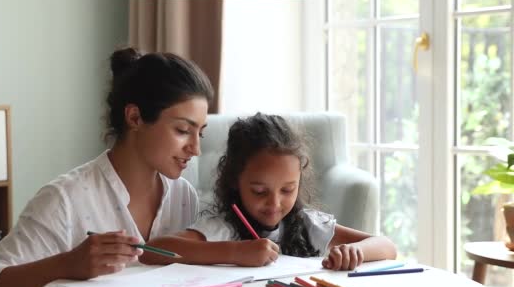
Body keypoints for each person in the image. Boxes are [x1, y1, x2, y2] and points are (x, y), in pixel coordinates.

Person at [0, 47, 214, 287]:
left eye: (200, 133)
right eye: (183, 131)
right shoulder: (65, 199)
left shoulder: (183, 196)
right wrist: (66, 264)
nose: (196, 149)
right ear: (135, 118)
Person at [140, 113, 397, 270]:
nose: (275, 203)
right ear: (234, 182)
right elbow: (154, 250)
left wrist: (356, 252)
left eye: (288, 189)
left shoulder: (308, 225)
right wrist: (234, 253)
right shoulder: (223, 229)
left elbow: (386, 246)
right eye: (260, 191)